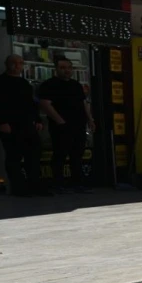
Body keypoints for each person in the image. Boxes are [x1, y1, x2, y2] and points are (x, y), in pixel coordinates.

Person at [0, 55, 48, 197]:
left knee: (33, 154)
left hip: (26, 124)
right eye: (13, 63)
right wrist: (2, 121)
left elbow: (31, 104)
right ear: (7, 64)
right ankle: (19, 188)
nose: (17, 66)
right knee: (14, 156)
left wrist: (37, 120)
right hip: (9, 124)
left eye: (20, 63)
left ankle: (34, 185)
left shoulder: (24, 83)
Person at [39, 56, 95, 194]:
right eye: (63, 68)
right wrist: (60, 121)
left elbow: (84, 103)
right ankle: (58, 183)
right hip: (60, 126)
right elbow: (45, 104)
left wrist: (90, 119)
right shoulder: (49, 85)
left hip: (78, 125)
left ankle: (77, 183)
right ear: (56, 69)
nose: (67, 70)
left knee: (77, 155)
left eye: (69, 68)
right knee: (60, 154)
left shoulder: (76, 85)